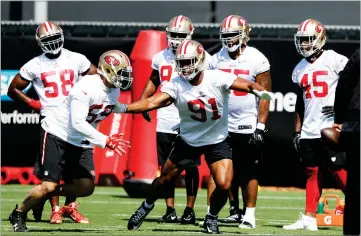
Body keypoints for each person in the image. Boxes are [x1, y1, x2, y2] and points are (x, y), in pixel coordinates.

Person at [117, 40, 272, 234]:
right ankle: (146, 206)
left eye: (189, 61)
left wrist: (261, 92)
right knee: (164, 180)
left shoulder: (216, 77)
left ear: (199, 61)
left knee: (224, 184)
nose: (185, 67)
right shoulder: (176, 84)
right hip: (189, 141)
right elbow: (151, 102)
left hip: (217, 140)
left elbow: (247, 85)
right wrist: (122, 107)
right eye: (181, 62)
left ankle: (211, 217)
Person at [8, 50, 132, 232]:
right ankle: (19, 213)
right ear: (107, 70)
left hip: (80, 140)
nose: (124, 77)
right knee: (49, 185)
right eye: (120, 72)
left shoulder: (114, 89)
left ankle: (43, 196)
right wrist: (106, 140)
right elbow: (77, 122)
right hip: (58, 133)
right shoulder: (86, 87)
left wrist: (144, 106)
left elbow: (114, 106)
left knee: (85, 186)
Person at [7, 21, 97, 224]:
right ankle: (55, 209)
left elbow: (96, 78)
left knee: (78, 175)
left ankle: (68, 207)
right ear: (40, 42)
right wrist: (34, 103)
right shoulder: (34, 65)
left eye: (55, 38)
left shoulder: (76, 59)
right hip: (52, 122)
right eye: (48, 39)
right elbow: (13, 89)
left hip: (76, 121)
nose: (53, 42)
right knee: (53, 174)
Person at [139, 15, 212, 224]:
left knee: (190, 166)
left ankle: (189, 209)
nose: (176, 40)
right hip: (165, 116)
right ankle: (170, 209)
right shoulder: (160, 57)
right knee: (166, 169)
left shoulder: (202, 56)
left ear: (189, 34)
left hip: (189, 117)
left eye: (180, 35)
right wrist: (145, 100)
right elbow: (154, 79)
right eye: (173, 35)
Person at [202, 15, 272, 229]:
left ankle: (249, 214)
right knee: (218, 170)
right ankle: (210, 214)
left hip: (246, 123)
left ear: (243, 35)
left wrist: (260, 126)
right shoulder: (216, 59)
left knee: (248, 171)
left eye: (233, 34)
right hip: (221, 124)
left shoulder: (257, 58)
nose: (229, 39)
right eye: (226, 35)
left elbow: (266, 94)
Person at [283, 19, 348, 231]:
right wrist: (296, 131)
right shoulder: (299, 68)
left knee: (338, 169)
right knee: (311, 171)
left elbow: (353, 84)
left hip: (330, 126)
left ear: (321, 38)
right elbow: (300, 103)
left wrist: (342, 111)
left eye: (308, 39)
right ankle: (310, 218)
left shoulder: (335, 59)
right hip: (309, 128)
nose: (304, 44)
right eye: (301, 40)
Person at [332, 49, 359, 235]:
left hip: (356, 122)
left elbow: (343, 85)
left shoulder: (359, 54)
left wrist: (339, 117)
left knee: (355, 184)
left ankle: (351, 231)